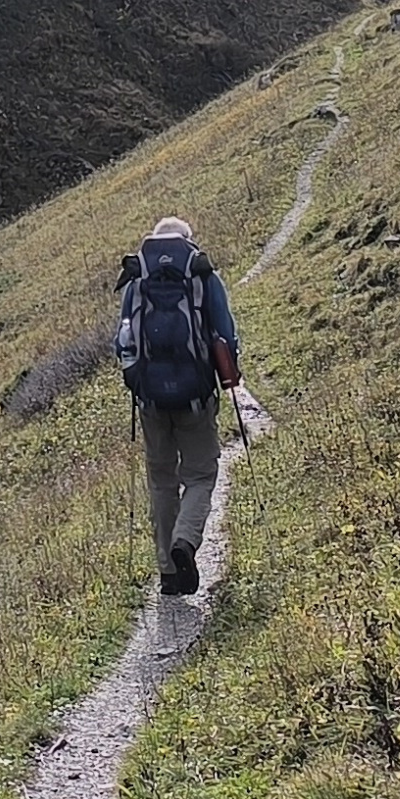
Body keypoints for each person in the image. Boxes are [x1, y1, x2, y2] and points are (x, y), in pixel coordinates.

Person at [113, 215, 239, 596]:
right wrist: (229, 375)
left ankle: (168, 574)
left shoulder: (137, 279)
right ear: (187, 241)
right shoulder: (200, 274)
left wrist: (136, 379)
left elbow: (122, 341)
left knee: (161, 480)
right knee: (200, 475)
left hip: (151, 400)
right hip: (195, 397)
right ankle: (185, 540)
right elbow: (225, 334)